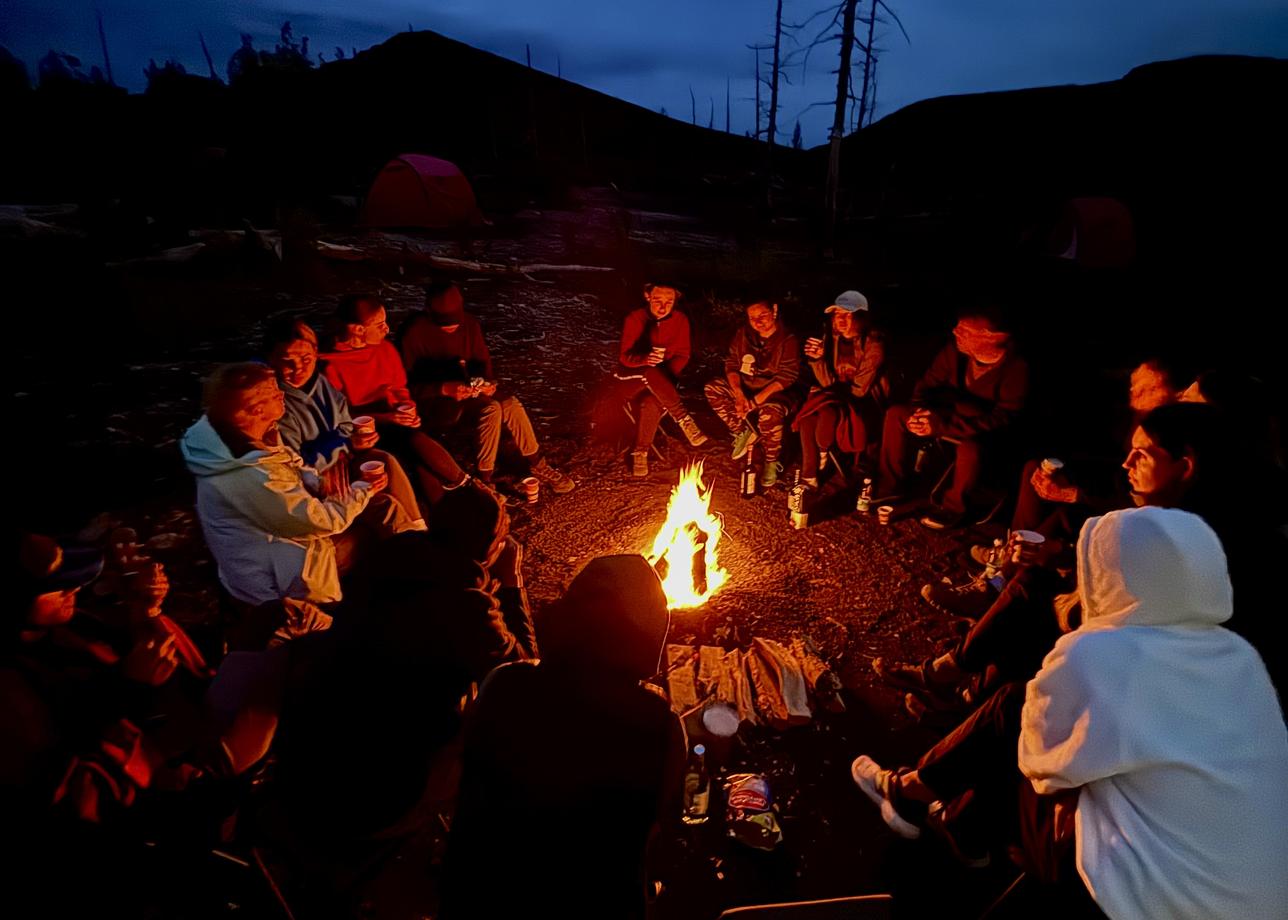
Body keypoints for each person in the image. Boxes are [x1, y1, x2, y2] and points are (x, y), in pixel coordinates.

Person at [852, 507, 1288, 920]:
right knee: (1029, 702)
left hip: (1102, 865)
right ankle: (959, 820)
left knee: (1017, 716)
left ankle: (915, 791)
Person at [441, 555, 685, 919]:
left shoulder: (505, 683)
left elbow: (464, 774)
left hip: (479, 897)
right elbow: (661, 832)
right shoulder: (659, 725)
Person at [180, 363, 412, 607]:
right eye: (273, 393)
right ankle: (409, 587)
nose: (281, 393)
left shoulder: (253, 435)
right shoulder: (246, 473)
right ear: (257, 409)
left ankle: (417, 568)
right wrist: (362, 489)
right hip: (283, 576)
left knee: (383, 507)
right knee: (381, 523)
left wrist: (321, 484)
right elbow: (319, 522)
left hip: (291, 547)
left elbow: (293, 468)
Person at [400, 282, 574, 492]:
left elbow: (483, 364)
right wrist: (443, 389)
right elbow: (406, 386)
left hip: (467, 391)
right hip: (436, 402)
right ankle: (486, 479)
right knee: (491, 410)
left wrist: (488, 383)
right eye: (444, 323)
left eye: (454, 321)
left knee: (510, 403)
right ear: (428, 310)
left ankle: (537, 464)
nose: (451, 327)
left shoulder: (470, 325)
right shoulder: (413, 332)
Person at [265, 317, 430, 527]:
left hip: (341, 460)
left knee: (385, 459)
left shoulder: (321, 385)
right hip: (316, 479)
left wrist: (355, 441)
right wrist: (345, 444)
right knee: (386, 504)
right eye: (287, 361)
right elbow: (296, 460)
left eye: (305, 359)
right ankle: (411, 537)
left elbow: (344, 423)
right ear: (271, 359)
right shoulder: (275, 402)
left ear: (315, 354)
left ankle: (418, 525)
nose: (298, 368)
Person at [876, 305, 1028, 529]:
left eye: (965, 330)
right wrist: (920, 413)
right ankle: (890, 487)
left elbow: (1004, 418)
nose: (956, 332)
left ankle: (953, 507)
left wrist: (942, 427)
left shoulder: (1017, 368)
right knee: (896, 414)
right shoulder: (953, 352)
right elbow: (926, 385)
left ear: (994, 338)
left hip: (986, 431)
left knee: (970, 447)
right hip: (946, 416)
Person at [318, 296, 471, 506]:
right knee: (411, 443)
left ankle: (453, 501)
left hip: (392, 417)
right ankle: (465, 488)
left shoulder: (385, 349)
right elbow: (338, 414)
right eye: (379, 325)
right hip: (363, 428)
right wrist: (387, 418)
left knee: (417, 450)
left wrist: (407, 410)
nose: (387, 329)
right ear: (358, 330)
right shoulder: (330, 364)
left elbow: (399, 388)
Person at [610, 283, 709, 477]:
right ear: (647, 297)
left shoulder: (680, 320)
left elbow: (683, 354)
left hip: (660, 384)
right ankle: (683, 418)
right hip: (630, 379)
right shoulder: (635, 319)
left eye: (668, 302)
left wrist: (668, 374)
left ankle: (641, 453)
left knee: (652, 401)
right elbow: (624, 357)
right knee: (649, 372)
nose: (662, 307)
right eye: (657, 300)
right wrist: (644, 359)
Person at [793, 290, 886, 488]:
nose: (841, 320)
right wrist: (817, 360)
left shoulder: (874, 344)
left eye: (847, 314)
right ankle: (810, 475)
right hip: (836, 396)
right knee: (808, 418)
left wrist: (829, 394)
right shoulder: (831, 340)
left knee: (825, 409)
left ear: (860, 317)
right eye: (837, 314)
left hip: (864, 402)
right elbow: (827, 382)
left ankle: (822, 450)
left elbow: (860, 390)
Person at [704, 298, 801, 487]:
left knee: (770, 412)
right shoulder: (743, 334)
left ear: (774, 310)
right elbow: (731, 364)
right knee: (713, 388)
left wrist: (755, 402)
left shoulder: (788, 339)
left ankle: (771, 461)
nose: (758, 322)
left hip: (775, 392)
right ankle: (743, 430)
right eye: (752, 318)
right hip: (747, 388)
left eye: (762, 315)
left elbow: (787, 377)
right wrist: (739, 394)